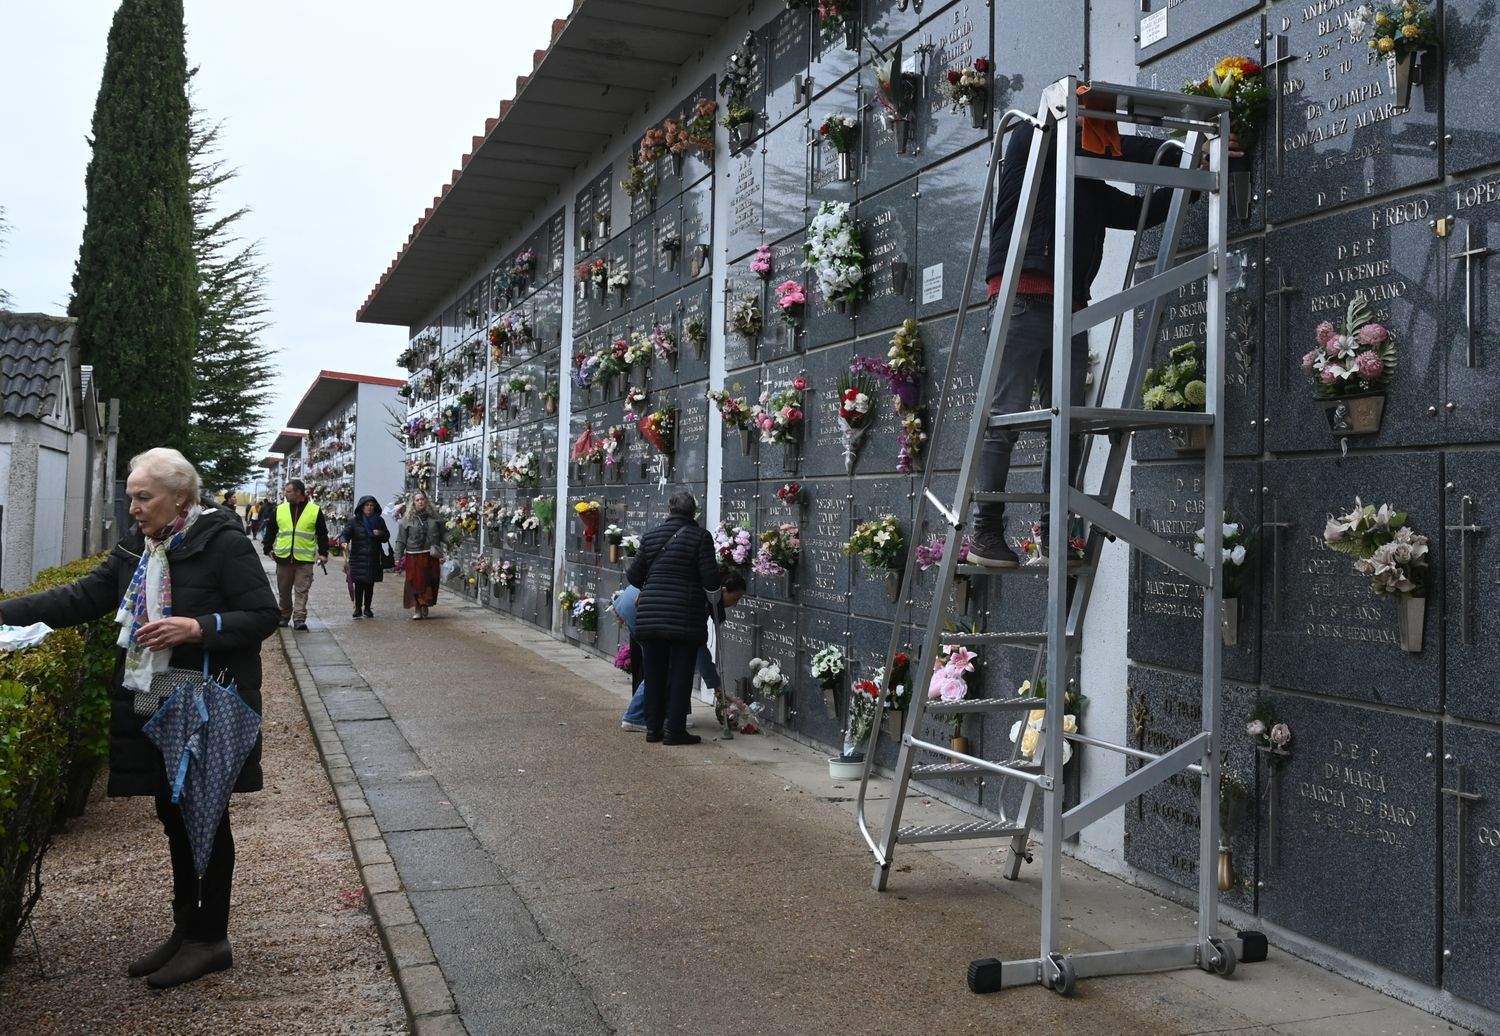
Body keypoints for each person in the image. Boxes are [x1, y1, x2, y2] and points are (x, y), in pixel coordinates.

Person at [0, 447, 279, 988]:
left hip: (202, 697)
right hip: (155, 690)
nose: (132, 507)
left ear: (181, 497)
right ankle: (187, 928)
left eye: (143, 497)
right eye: (130, 496)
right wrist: (5, 611)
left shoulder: (222, 542)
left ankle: (209, 939)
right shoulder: (141, 545)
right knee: (172, 813)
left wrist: (196, 626)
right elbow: (84, 596)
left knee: (204, 818)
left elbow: (264, 614)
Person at [967, 83, 1241, 568]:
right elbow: (1117, 147)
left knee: (1068, 424)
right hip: (1023, 298)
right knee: (1004, 417)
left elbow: (1134, 213)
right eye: (1090, 117)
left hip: (1071, 308)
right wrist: (1185, 149)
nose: (1102, 130)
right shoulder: (1034, 138)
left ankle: (1055, 533)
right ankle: (985, 532)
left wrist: (1191, 183)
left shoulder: (1084, 178)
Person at [625, 491, 721, 745]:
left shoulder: (651, 536)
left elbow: (634, 577)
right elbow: (711, 580)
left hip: (650, 616)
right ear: (694, 512)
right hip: (684, 617)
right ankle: (674, 731)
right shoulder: (701, 537)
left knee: (654, 673)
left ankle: (652, 728)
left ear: (670, 509)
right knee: (680, 674)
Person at [616, 569, 746, 731]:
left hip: (636, 601)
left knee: (668, 665)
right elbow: (700, 651)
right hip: (642, 607)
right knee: (661, 668)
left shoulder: (701, 586)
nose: (735, 604)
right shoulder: (700, 599)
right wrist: (718, 688)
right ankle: (635, 717)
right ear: (724, 590)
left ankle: (669, 716)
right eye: (736, 598)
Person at [260, 479, 329, 630]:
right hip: (283, 558)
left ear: (299, 492)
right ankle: (284, 615)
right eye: (285, 491)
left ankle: (299, 619)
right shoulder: (279, 509)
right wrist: (268, 548)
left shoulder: (314, 510)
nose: (285, 494)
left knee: (301, 590)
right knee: (284, 590)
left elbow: (322, 534)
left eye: (288, 491)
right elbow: (270, 530)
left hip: (304, 560)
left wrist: (323, 553)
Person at [394, 490, 446, 620]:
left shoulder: (434, 518)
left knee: (430, 581)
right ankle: (417, 607)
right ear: (413, 503)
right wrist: (397, 557)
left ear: (426, 501)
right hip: (414, 556)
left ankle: (425, 605)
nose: (420, 502)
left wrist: (453, 540)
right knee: (415, 582)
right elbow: (401, 540)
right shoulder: (406, 521)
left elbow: (443, 534)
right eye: (417, 500)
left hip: (430, 554)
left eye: (422, 499)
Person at [341, 495, 390, 619]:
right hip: (358, 557)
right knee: (358, 583)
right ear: (362, 507)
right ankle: (358, 608)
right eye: (367, 505)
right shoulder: (354, 521)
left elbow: (386, 536)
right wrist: (344, 541)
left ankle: (367, 608)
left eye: (371, 505)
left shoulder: (379, 521)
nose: (369, 507)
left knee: (369, 584)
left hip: (373, 557)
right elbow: (345, 533)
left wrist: (380, 533)